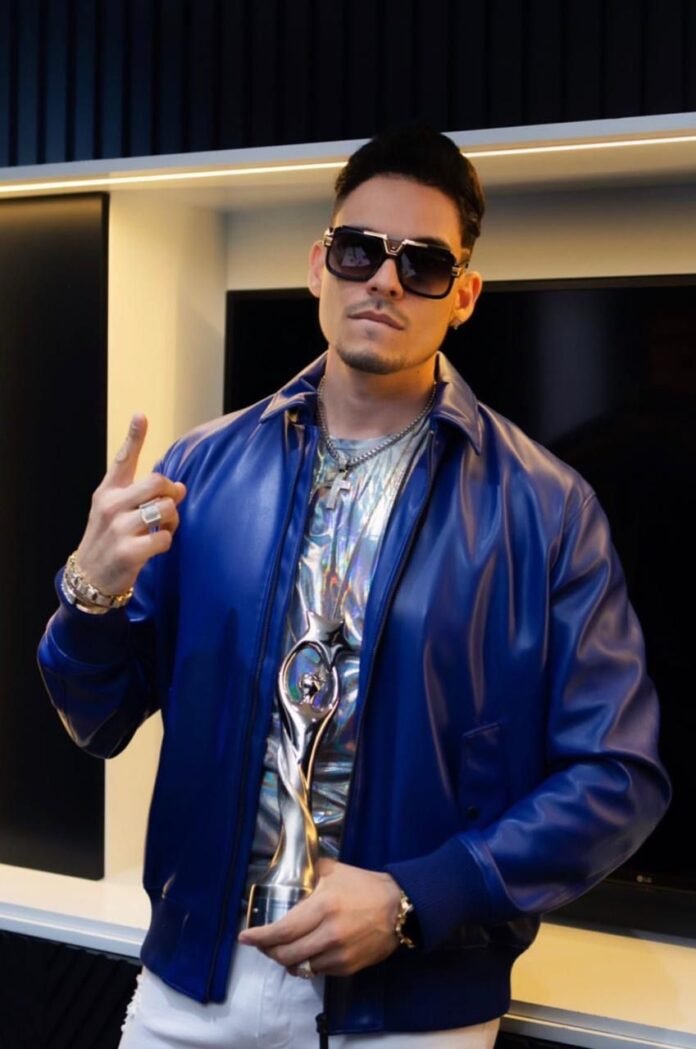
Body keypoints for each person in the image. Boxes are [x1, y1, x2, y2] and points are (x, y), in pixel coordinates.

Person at [38, 126, 671, 1048]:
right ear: (318, 265)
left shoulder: (545, 508)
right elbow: (96, 717)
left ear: (464, 295)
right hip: (193, 983)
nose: (384, 280)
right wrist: (88, 592)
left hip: (409, 1007)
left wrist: (417, 896)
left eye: (423, 263)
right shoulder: (201, 470)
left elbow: (619, 776)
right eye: (358, 250)